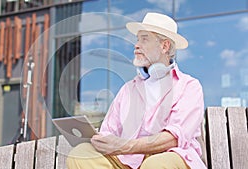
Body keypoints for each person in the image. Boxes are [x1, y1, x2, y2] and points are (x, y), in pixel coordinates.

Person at [66, 12, 206, 169]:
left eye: (144, 39)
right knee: (81, 153)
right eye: (137, 39)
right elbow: (109, 131)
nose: (136, 45)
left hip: (169, 159)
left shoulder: (189, 86)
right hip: (128, 162)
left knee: (155, 165)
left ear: (164, 46)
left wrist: (124, 146)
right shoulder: (128, 90)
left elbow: (173, 138)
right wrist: (100, 140)